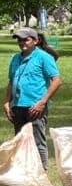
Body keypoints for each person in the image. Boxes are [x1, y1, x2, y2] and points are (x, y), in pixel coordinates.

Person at [4, 27, 61, 166]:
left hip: (35, 106)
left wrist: (42, 102)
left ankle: (42, 172)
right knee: (20, 141)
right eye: (19, 39)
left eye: (26, 39)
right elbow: (12, 81)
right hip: (18, 106)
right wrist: (7, 102)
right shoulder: (15, 58)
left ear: (35, 41)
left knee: (37, 141)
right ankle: (24, 171)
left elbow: (57, 80)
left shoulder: (43, 57)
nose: (22, 42)